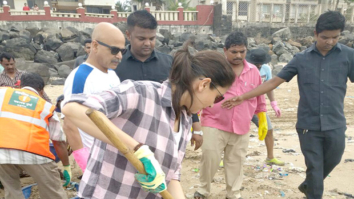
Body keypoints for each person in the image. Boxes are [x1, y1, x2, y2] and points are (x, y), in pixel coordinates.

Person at [62, 46, 235, 199]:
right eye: (218, 97)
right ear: (204, 85)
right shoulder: (140, 93)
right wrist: (138, 149)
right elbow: (72, 108)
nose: (213, 104)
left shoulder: (185, 120)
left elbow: (172, 176)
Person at [226, 11, 352, 199]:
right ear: (316, 33)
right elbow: (273, 82)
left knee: (332, 160)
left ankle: (308, 185)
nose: (330, 42)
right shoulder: (301, 59)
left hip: (336, 123)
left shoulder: (349, 56)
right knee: (315, 168)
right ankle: (313, 192)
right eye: (325, 37)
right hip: (308, 126)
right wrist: (244, 96)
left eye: (335, 37)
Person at [115, 10, 203, 150]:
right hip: (127, 134)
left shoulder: (169, 63)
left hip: (164, 134)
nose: (148, 43)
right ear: (128, 35)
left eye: (152, 38)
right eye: (141, 38)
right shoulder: (116, 66)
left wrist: (196, 126)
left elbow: (183, 95)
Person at [194, 32, 267, 199]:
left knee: (236, 161)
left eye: (242, 51)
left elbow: (259, 95)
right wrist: (194, 121)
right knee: (210, 156)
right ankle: (204, 189)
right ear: (225, 50)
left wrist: (262, 116)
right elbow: (199, 92)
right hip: (214, 121)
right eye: (234, 52)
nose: (239, 55)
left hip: (242, 125)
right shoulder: (215, 69)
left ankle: (233, 193)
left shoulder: (253, 71)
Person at [0, 72, 70, 199]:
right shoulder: (46, 106)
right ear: (42, 91)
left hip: (1, 152)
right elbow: (58, 142)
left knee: (11, 190)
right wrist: (66, 166)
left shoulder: (2, 93)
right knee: (52, 191)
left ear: (20, 84)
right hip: (34, 152)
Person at [63, 23, 122, 172]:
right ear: (95, 46)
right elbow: (70, 123)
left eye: (122, 51)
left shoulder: (112, 74)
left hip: (113, 151)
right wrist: (85, 163)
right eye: (114, 50)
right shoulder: (81, 77)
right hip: (94, 157)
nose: (119, 56)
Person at [246, 48, 284, 166]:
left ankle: (270, 157)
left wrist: (274, 103)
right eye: (256, 63)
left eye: (260, 63)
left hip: (258, 107)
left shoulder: (266, 69)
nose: (258, 65)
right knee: (234, 133)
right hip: (243, 106)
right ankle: (226, 158)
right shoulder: (244, 69)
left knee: (268, 129)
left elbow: (269, 87)